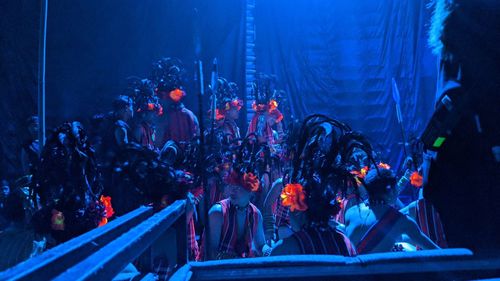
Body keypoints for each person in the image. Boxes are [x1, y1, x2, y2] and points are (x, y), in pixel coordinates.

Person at [345, 168, 439, 254]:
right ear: (391, 190)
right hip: (376, 272)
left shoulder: (350, 212)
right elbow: (438, 253)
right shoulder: (402, 221)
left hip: (349, 272)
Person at [206, 169, 268, 260]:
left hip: (244, 269)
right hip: (219, 270)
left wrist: (270, 252)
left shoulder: (256, 214)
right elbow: (211, 251)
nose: (233, 190)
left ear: (250, 192)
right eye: (231, 185)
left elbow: (261, 245)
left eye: (238, 187)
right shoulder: (217, 213)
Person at [152, 57, 199, 147]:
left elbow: (157, 144)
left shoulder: (163, 119)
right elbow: (197, 140)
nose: (159, 101)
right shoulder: (192, 116)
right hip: (189, 160)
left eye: (161, 96)